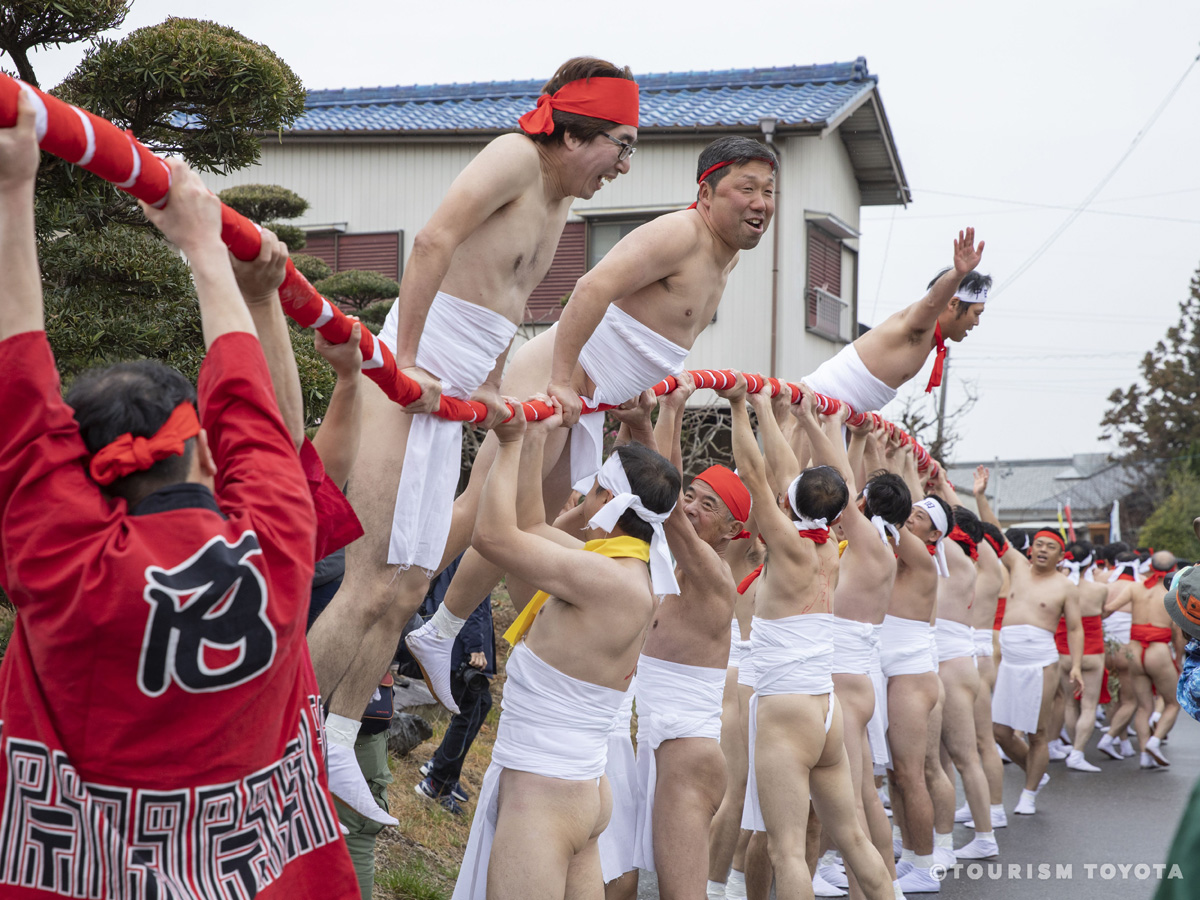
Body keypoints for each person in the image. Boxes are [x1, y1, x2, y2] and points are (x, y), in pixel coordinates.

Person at [0, 96, 359, 897]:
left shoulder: (67, 568)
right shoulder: (274, 543)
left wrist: (12, 191)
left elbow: (18, 390)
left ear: (83, 479)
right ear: (201, 447)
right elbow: (259, 416)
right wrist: (211, 253)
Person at [305, 56, 642, 808]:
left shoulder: (558, 203)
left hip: (459, 385)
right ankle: (280, 735)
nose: (622, 165)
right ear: (576, 130)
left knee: (413, 584)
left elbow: (510, 301)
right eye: (621, 145)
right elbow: (431, 242)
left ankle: (336, 741)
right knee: (368, 582)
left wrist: (491, 384)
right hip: (411, 372)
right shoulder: (514, 156)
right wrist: (410, 360)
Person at [410, 134, 780, 711]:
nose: (761, 202)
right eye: (746, 189)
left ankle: (439, 630)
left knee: (525, 527)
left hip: (596, 403)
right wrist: (561, 377)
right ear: (706, 193)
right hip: (562, 383)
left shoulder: (722, 259)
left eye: (770, 191)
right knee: (480, 508)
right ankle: (397, 604)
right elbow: (591, 288)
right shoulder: (680, 233)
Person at [451, 395, 681, 900]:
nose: (584, 499)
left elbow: (491, 537)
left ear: (608, 502)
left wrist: (508, 445)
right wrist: (534, 442)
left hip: (544, 794)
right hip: (572, 788)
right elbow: (532, 528)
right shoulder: (623, 570)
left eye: (594, 489)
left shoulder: (605, 578)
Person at [724, 374, 892, 900]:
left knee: (787, 852)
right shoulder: (828, 545)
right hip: (825, 710)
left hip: (786, 710)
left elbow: (754, 472)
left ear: (791, 504)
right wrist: (771, 411)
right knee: (855, 838)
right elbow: (790, 475)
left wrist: (738, 408)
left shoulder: (792, 547)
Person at [627, 378, 749, 900]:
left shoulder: (716, 578)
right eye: (693, 495)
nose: (694, 507)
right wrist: (649, 420)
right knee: (619, 883)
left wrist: (651, 418)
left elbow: (666, 500)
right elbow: (663, 496)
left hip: (685, 749)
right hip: (641, 736)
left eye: (709, 505)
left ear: (731, 530)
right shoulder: (665, 561)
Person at [790, 395, 909, 898]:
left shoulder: (869, 546)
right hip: (855, 679)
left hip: (845, 683)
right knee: (860, 800)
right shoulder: (883, 549)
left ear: (863, 506)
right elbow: (850, 484)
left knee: (854, 811)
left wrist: (815, 423)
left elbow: (837, 480)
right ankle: (885, 889)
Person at [977, 490, 1082, 816]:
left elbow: (1076, 628)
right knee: (1001, 732)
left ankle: (1029, 793)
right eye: (1039, 544)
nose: (1042, 550)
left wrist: (1076, 666)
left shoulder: (1065, 586)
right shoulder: (1018, 566)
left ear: (1059, 556)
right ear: (1031, 548)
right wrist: (980, 496)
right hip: (1010, 662)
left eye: (1051, 547)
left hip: (1041, 663)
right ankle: (1036, 773)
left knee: (1037, 733)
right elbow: (992, 531)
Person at [802, 230, 987, 412]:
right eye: (976, 313)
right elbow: (931, 303)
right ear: (953, 304)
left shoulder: (930, 336)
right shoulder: (921, 324)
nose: (977, 322)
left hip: (836, 410)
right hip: (817, 401)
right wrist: (957, 274)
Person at [409, 553, 495, 814]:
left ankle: (438, 765)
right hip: (460, 645)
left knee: (481, 704)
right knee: (467, 709)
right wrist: (475, 646)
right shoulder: (475, 549)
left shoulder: (467, 545)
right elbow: (470, 600)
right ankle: (437, 783)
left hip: (457, 640)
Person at [1105, 550, 1182, 768]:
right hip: (1157, 651)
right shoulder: (1173, 593)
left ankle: (1144, 755)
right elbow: (1178, 633)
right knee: (1172, 703)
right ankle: (1155, 741)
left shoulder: (1135, 587)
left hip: (1134, 651)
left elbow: (1108, 610)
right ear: (1173, 568)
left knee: (1142, 706)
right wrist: (1178, 659)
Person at [1051, 541, 1108, 773]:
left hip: (1064, 650)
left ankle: (1074, 748)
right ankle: (1077, 752)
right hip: (1092, 650)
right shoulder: (1100, 590)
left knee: (1069, 703)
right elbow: (1103, 612)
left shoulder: (1058, 587)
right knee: (1088, 705)